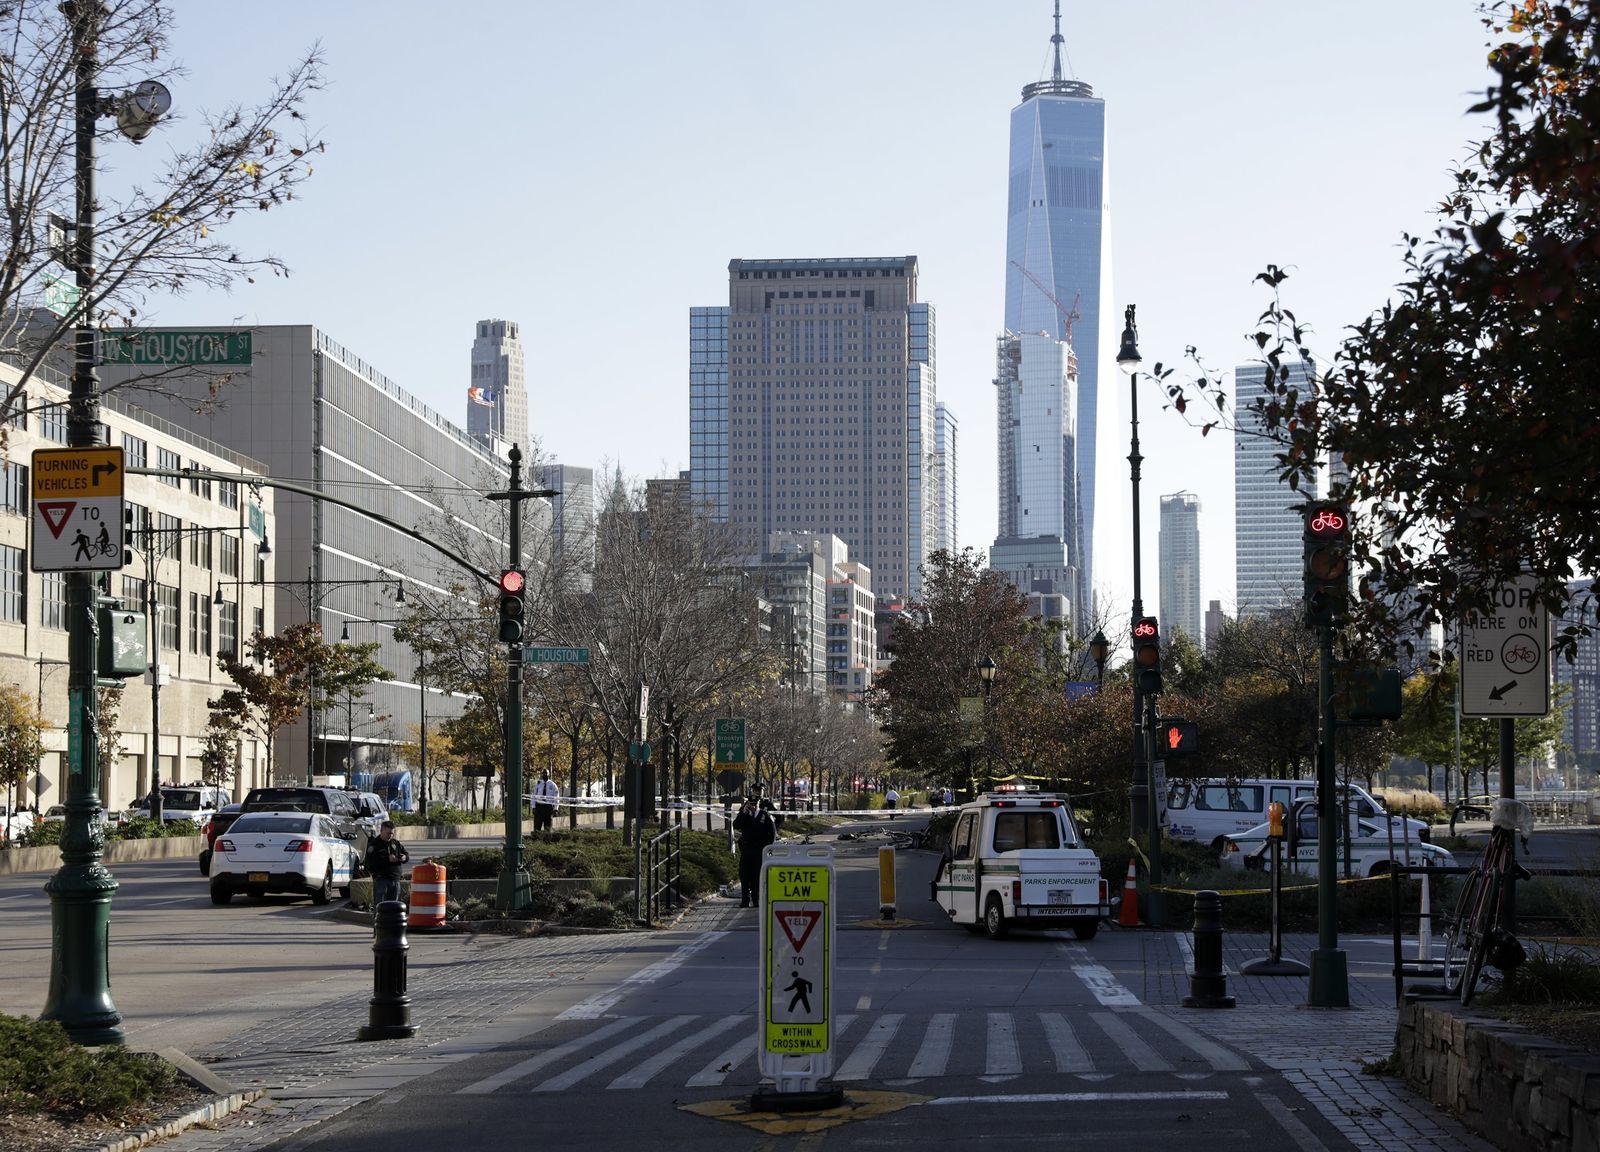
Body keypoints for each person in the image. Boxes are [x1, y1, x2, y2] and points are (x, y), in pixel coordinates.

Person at [732, 795, 776, 908]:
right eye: (751, 804)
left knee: (757, 875)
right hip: (746, 849)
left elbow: (772, 833)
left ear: (758, 803)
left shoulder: (764, 815)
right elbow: (736, 825)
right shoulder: (744, 815)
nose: (753, 806)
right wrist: (743, 813)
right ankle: (745, 900)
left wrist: (768, 847)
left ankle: (756, 899)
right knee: (744, 874)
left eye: (755, 804)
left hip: (759, 850)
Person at [364, 819, 411, 913]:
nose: (390, 835)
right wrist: (387, 859)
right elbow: (370, 863)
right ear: (382, 831)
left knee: (393, 909)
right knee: (380, 909)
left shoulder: (395, 843)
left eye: (392, 833)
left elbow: (406, 854)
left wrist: (404, 857)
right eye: (388, 833)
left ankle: (391, 928)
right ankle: (378, 927)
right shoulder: (374, 844)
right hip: (381, 880)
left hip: (395, 879)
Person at [532, 769, 559, 833]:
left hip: (548, 808)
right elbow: (533, 796)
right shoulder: (538, 784)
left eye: (546, 773)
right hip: (539, 807)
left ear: (548, 774)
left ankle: (546, 841)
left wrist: (556, 809)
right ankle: (536, 840)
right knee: (537, 827)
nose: (545, 774)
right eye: (543, 773)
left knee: (547, 827)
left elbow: (556, 797)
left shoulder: (553, 785)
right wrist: (533, 807)